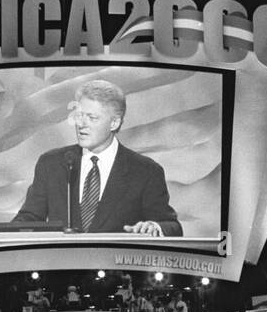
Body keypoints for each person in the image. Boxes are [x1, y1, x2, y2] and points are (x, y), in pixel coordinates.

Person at [11, 80, 182, 237]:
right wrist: (3, 234)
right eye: (79, 116)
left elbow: (171, 226)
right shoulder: (52, 164)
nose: (81, 124)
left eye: (92, 118)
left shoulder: (145, 171)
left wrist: (154, 226)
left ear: (114, 123)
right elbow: (30, 218)